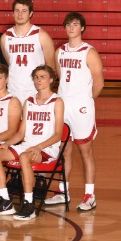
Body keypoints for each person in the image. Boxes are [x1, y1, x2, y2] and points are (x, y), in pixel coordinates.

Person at [0, 65, 64, 221]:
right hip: (27, 146)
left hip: (46, 148)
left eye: (42, 77)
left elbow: (58, 134)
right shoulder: (29, 102)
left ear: (51, 80)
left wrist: (39, 147)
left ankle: (29, 204)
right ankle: (5, 200)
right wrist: (7, 144)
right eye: (36, 77)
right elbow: (21, 133)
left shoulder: (57, 101)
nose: (38, 80)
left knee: (24, 157)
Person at [46, 12, 104, 211]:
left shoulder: (89, 52)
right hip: (63, 105)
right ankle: (63, 191)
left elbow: (99, 83)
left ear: (82, 28)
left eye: (75, 24)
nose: (71, 28)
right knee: (64, 151)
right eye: (68, 24)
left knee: (85, 151)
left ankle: (90, 195)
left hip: (81, 107)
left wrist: (86, 101)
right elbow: (60, 77)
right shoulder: (59, 51)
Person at [0, 0, 56, 104]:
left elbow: (50, 66)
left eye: (24, 11)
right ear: (13, 13)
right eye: (17, 11)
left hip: (35, 90)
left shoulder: (41, 36)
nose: (20, 14)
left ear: (30, 13)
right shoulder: (5, 38)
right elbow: (10, 62)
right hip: (12, 90)